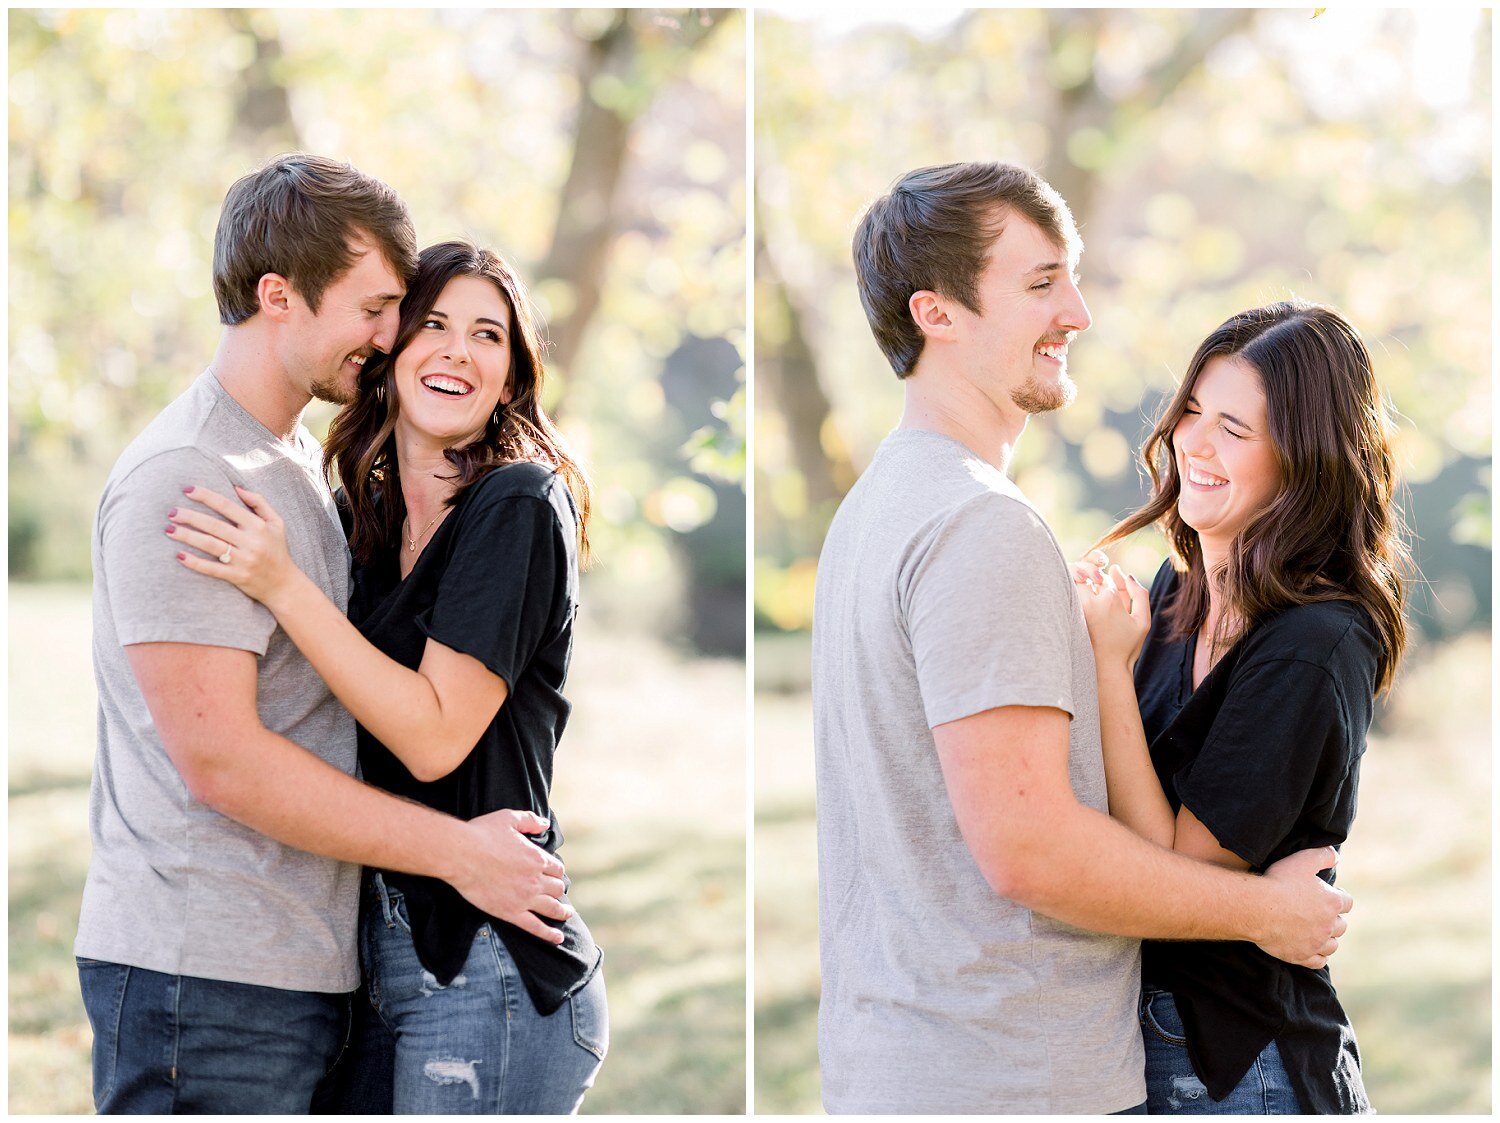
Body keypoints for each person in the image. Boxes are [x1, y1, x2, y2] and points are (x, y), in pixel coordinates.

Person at [811, 161, 1354, 1114]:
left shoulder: (877, 508)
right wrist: (1273, 912)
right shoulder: (979, 524)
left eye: (1070, 275)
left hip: (918, 1057)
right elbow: (1030, 849)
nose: (1078, 311)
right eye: (1039, 283)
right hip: (1002, 1072)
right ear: (936, 313)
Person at [78, 157, 570, 1115]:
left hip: (306, 969)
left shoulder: (303, 466)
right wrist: (456, 851)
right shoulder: (193, 473)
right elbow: (221, 760)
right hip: (205, 971)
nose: (389, 338)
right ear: (279, 297)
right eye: (381, 310)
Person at [170, 241, 605, 1114]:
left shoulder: (517, 504)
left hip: (486, 960)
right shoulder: (357, 524)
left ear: (512, 373)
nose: (456, 350)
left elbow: (433, 735)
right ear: (391, 349)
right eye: (434, 324)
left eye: (489, 335)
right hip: (368, 957)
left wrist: (281, 584)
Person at [1074, 301, 1407, 1113]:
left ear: (1304, 460)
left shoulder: (1316, 641)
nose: (1194, 440)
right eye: (1192, 409)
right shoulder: (1168, 596)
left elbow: (1181, 876)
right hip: (1134, 1045)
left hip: (1240, 1066)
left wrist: (1109, 669)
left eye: (1234, 427)